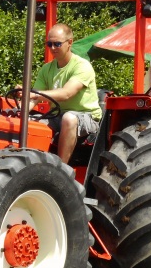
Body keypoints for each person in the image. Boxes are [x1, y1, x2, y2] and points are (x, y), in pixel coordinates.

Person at [21, 23, 102, 164]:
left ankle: (61, 169)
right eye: (49, 44)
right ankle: (29, 164)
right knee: (30, 123)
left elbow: (66, 94)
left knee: (69, 119)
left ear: (69, 42)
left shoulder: (82, 66)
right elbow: (34, 99)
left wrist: (33, 94)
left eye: (57, 44)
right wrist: (20, 114)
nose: (52, 48)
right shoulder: (46, 69)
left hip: (86, 117)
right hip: (57, 115)